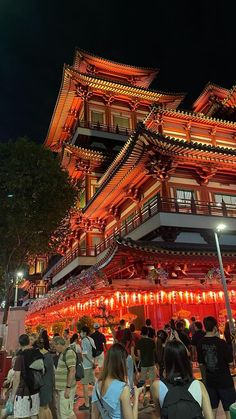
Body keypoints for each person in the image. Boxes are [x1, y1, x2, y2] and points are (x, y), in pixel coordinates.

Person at [151, 340, 213, 419]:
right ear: (186, 360)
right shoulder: (199, 385)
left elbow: (159, 414)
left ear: (166, 360)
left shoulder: (156, 386)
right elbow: (210, 417)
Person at [197, 316, 235, 419]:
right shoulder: (221, 343)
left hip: (210, 382)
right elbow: (231, 363)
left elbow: (201, 364)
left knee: (211, 411)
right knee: (228, 411)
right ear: (215, 327)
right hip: (225, 382)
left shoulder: (200, 343)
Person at [91, 343, 143, 418]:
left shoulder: (97, 385)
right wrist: (136, 397)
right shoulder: (123, 388)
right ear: (122, 363)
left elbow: (94, 414)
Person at [11, 334, 42, 419]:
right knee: (34, 415)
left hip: (23, 392)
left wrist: (13, 396)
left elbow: (17, 378)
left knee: (19, 416)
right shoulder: (37, 353)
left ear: (20, 343)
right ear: (29, 342)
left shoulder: (20, 357)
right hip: (35, 390)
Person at [53, 336, 77, 419]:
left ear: (59, 344)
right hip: (62, 388)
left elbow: (72, 370)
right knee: (65, 412)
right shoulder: (63, 353)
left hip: (65, 389)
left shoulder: (69, 353)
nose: (54, 348)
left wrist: (68, 387)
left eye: (54, 346)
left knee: (67, 413)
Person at [136, 326, 156, 403]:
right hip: (151, 363)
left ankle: (144, 396)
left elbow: (139, 354)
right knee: (152, 381)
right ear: (147, 332)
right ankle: (151, 397)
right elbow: (154, 352)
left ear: (141, 332)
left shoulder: (139, 342)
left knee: (143, 380)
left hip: (143, 363)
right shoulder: (152, 341)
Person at [36, 337, 54, 419]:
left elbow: (41, 371)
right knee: (46, 407)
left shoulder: (43, 356)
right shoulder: (49, 355)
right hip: (47, 384)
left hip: (43, 384)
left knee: (42, 408)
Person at [79, 326, 96, 411]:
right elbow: (94, 351)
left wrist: (90, 361)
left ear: (85, 333)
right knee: (94, 383)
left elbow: (84, 354)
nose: (80, 333)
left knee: (85, 385)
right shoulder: (91, 339)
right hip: (91, 365)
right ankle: (99, 399)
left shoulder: (84, 340)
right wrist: (93, 362)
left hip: (86, 366)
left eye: (81, 332)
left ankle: (86, 404)